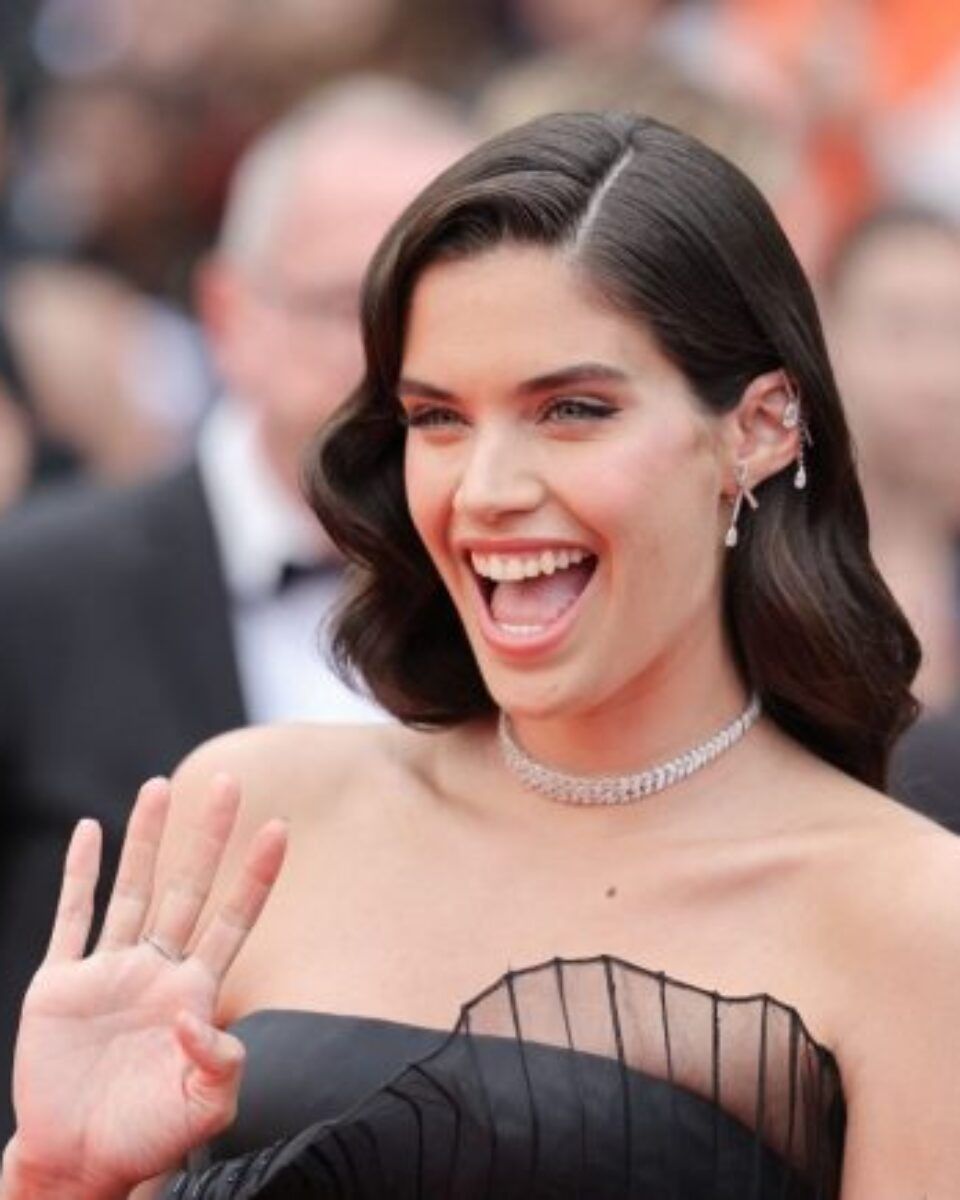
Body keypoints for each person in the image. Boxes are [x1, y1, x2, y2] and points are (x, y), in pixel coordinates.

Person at [5, 110, 960, 1200]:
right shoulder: (257, 815)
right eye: (439, 418)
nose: (486, 490)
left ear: (759, 428)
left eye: (572, 409)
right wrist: (59, 1178)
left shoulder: (909, 918)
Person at [0, 77, 470, 1146]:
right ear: (228, 316)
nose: (401, 360)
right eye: (349, 306)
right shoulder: (33, 592)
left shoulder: (549, 606)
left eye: (441, 306)